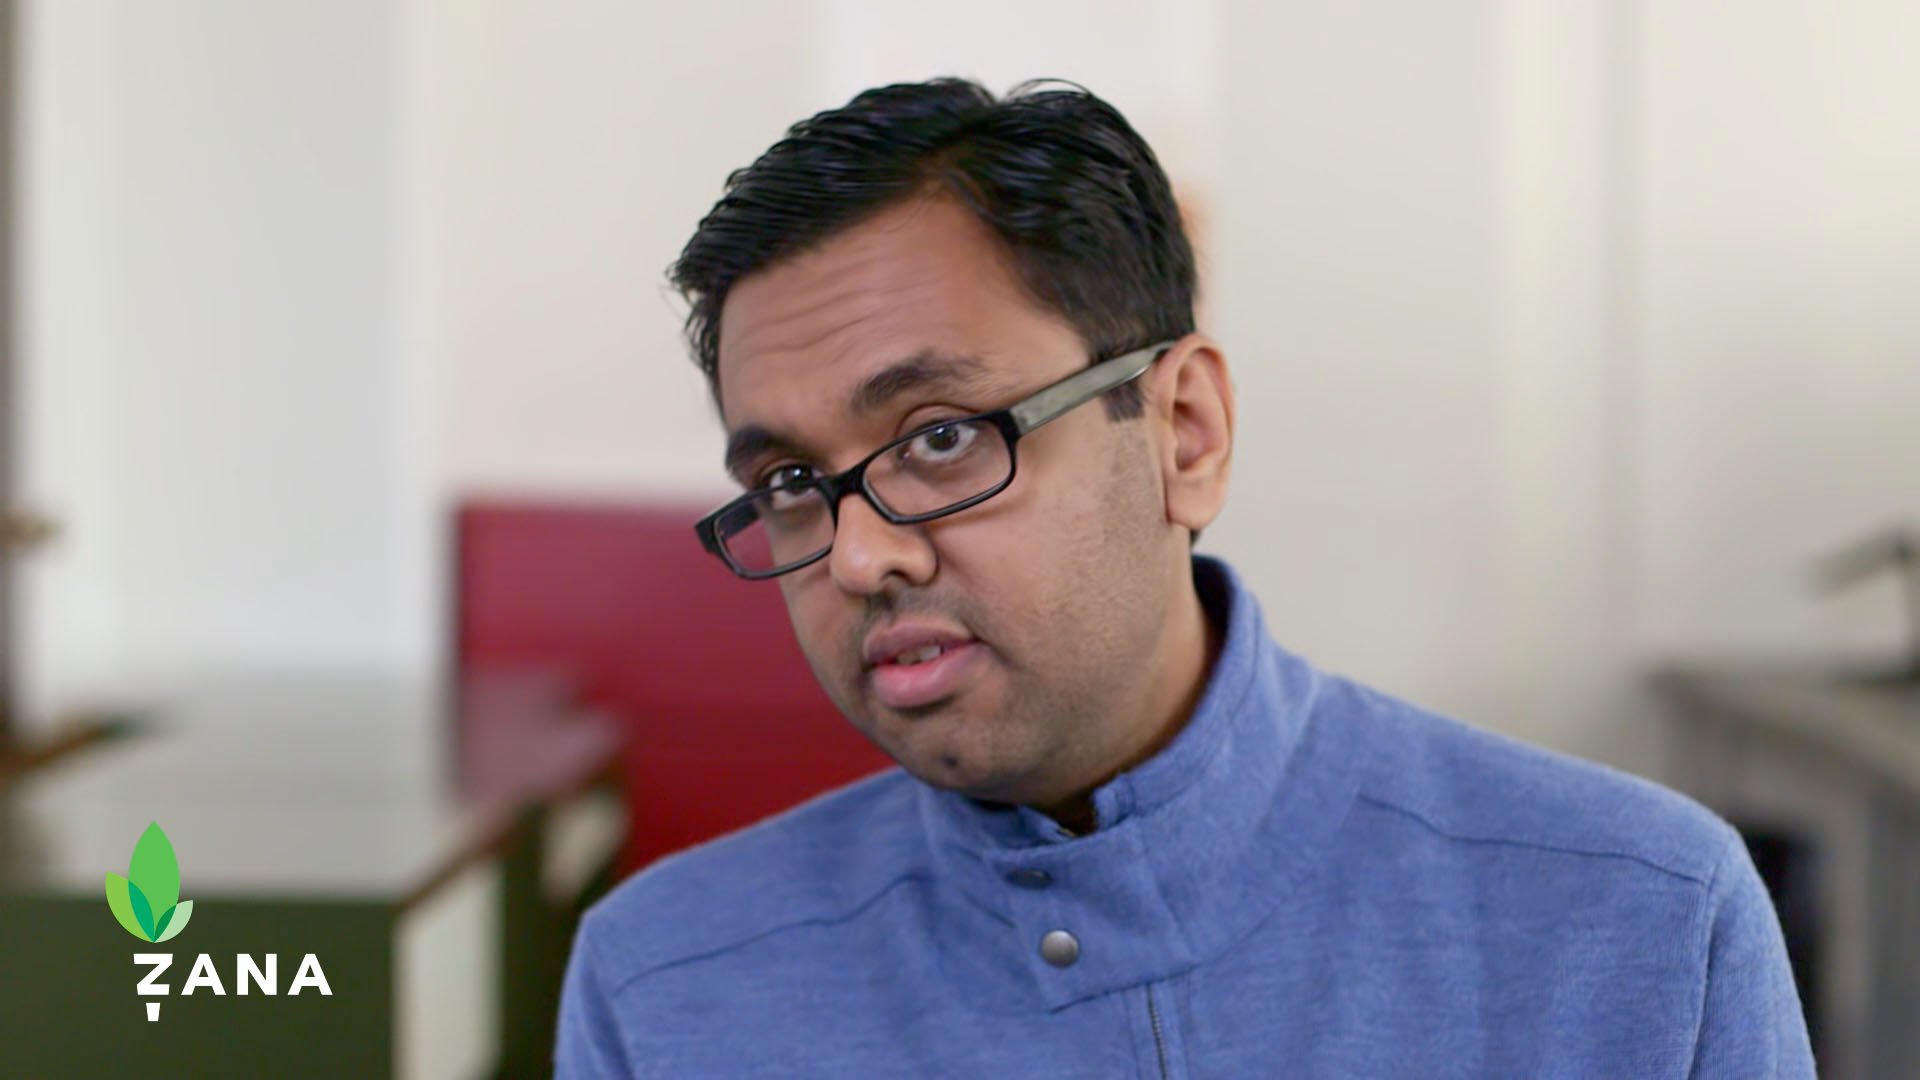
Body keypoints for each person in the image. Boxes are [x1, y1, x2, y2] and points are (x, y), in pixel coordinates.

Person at [556, 78, 1814, 1078]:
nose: (859, 554)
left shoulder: (1636, 920)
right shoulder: (666, 987)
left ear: (1185, 434)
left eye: (940, 438)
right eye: (789, 482)